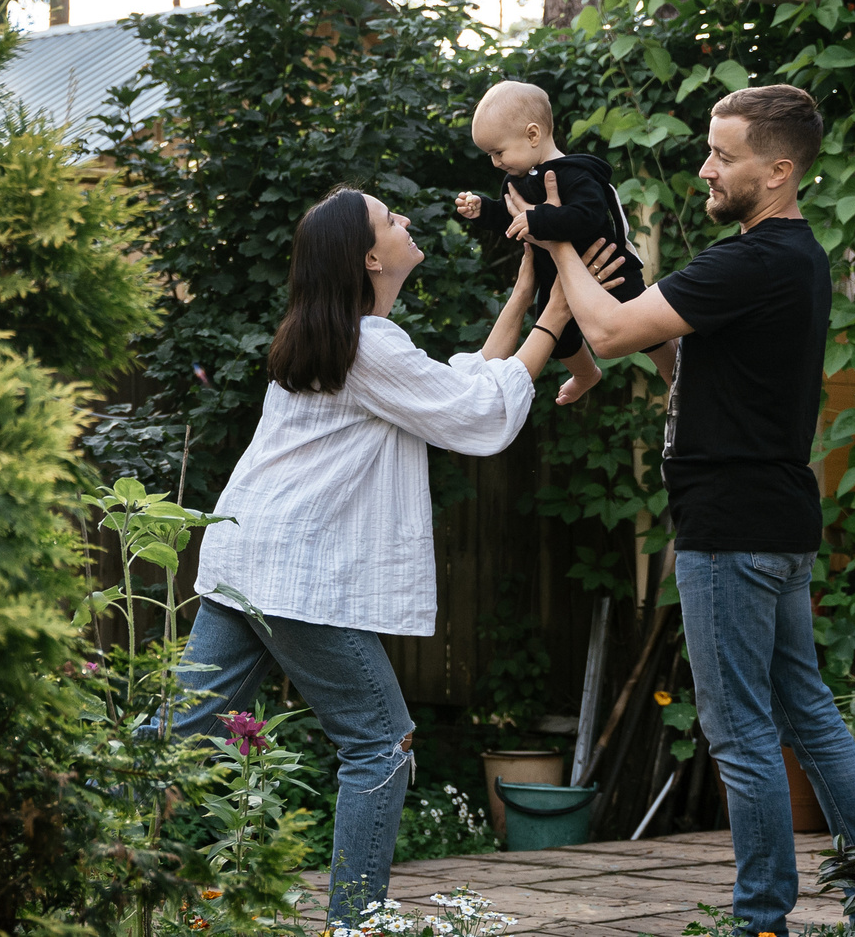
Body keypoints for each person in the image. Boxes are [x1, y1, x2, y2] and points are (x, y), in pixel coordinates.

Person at [171, 185, 626, 932]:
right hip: (293, 577)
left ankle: (60, 830)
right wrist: (554, 316)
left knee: (174, 737)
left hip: (246, 560)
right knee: (381, 743)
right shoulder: (369, 345)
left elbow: (450, 391)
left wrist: (520, 296)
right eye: (391, 217)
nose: (406, 219)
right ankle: (355, 923)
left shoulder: (344, 338)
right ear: (370, 255)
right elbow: (477, 416)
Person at [517, 84, 855, 937]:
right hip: (778, 519)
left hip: (730, 528)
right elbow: (671, 364)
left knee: (741, 734)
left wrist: (567, 240)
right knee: (807, 708)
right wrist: (621, 301)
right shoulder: (791, 260)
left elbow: (611, 332)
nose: (705, 168)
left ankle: (760, 919)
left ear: (778, 169)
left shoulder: (749, 262)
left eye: (723, 155)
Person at [453, 78, 667, 406]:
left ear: (533, 134)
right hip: (556, 275)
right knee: (557, 338)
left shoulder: (574, 173)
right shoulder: (516, 181)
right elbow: (513, 221)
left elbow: (589, 216)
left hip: (609, 265)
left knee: (642, 328)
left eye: (498, 151)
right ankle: (585, 374)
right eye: (490, 155)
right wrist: (484, 211)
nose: (495, 162)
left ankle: (675, 370)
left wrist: (538, 219)